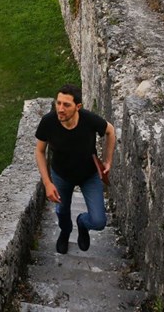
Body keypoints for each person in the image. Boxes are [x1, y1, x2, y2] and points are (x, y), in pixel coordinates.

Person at [34, 83, 116, 254]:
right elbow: (40, 151)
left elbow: (110, 131)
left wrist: (108, 161)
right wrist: (48, 183)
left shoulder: (89, 120)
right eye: (58, 103)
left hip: (89, 176)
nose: (60, 109)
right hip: (61, 176)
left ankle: (82, 223)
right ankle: (65, 232)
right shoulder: (48, 122)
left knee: (99, 221)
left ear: (78, 107)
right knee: (62, 212)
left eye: (66, 105)